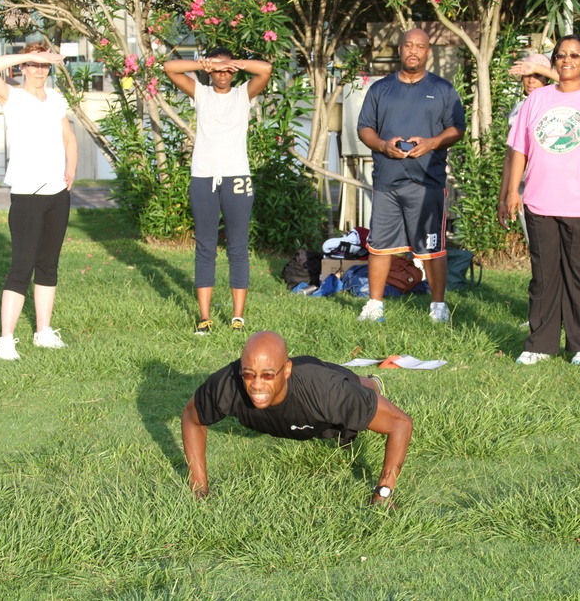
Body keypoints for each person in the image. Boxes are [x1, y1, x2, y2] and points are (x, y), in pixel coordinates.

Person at [505, 35, 580, 366]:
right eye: (561, 55)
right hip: (540, 203)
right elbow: (519, 149)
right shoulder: (536, 100)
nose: (567, 60)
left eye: (574, 55)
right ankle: (540, 344)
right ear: (554, 61)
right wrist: (513, 190)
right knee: (544, 278)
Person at [181, 331, 413, 504]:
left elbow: (400, 424)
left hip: (323, 387)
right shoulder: (227, 384)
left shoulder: (327, 391)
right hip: (304, 393)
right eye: (249, 375)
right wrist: (199, 488)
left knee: (355, 387)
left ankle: (372, 383)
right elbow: (191, 417)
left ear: (286, 370)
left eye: (268, 375)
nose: (257, 385)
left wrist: (384, 491)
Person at [356, 28, 467, 324]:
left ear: (428, 52)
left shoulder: (442, 89)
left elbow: (457, 128)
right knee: (379, 245)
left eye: (420, 46)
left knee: (433, 247)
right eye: (408, 45)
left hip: (427, 181)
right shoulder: (380, 89)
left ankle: (438, 307)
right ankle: (374, 305)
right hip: (387, 181)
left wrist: (431, 143)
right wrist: (382, 145)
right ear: (399, 50)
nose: (413, 51)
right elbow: (364, 127)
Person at [165, 49, 273, 335]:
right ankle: (204, 317)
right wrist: (205, 63)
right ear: (209, 72)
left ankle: (238, 317)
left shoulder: (242, 95)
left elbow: (265, 69)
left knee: (238, 247)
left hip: (237, 177)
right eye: (217, 70)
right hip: (203, 177)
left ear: (234, 72)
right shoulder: (201, 93)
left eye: (227, 70)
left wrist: (235, 63)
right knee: (205, 247)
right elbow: (170, 67)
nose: (222, 75)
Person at [0, 43, 77, 361]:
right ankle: (6, 339)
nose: (39, 71)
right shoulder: (13, 97)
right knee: (21, 268)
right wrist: (29, 55)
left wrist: (70, 171)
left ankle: (43, 332)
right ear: (23, 67)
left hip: (56, 194)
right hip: (27, 194)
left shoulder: (55, 100)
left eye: (44, 66)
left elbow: (69, 138)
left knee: (48, 266)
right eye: (34, 65)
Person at [498, 53, 558, 242]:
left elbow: (570, 80)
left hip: (557, 187)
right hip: (526, 188)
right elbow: (511, 156)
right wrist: (504, 197)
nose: (531, 80)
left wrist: (537, 68)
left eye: (537, 76)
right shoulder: (518, 108)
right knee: (538, 247)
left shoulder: (558, 102)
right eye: (526, 75)